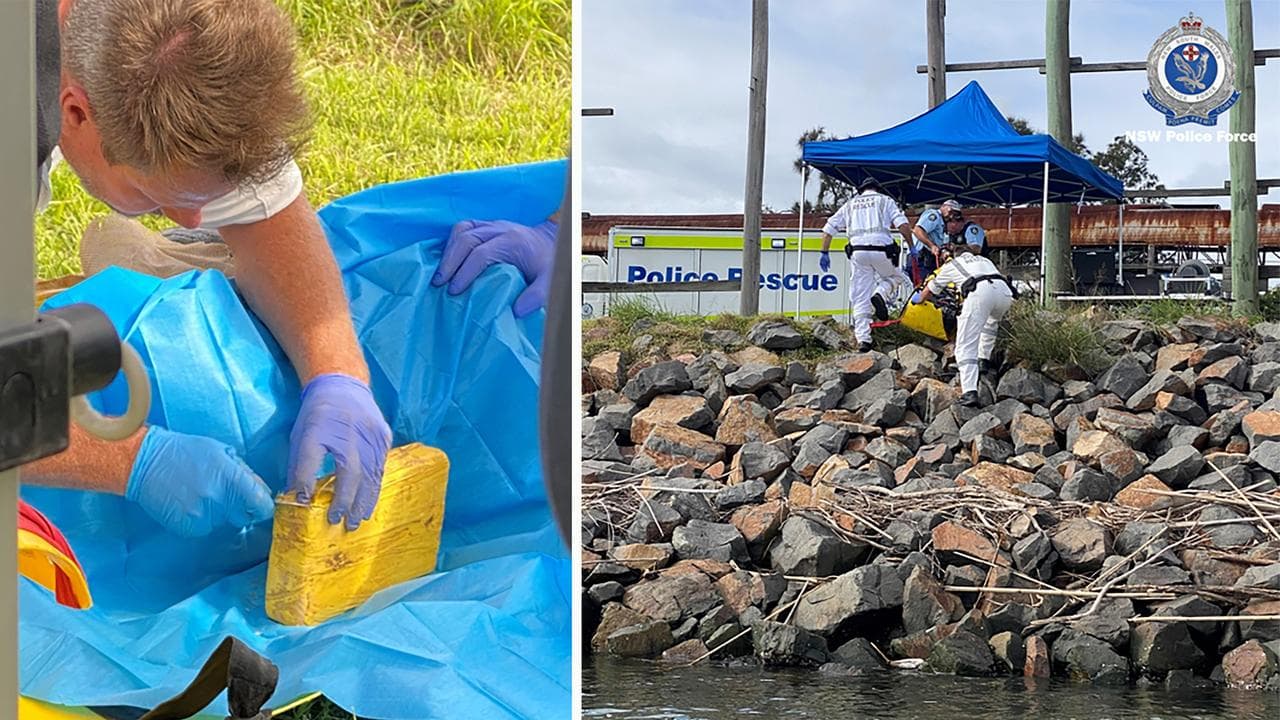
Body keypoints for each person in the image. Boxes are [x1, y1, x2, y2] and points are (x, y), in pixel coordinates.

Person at [24, 0, 391, 536]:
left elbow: (271, 218)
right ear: (75, 113)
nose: (197, 220)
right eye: (164, 197)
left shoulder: (193, 29)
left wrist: (338, 373)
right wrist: (131, 459)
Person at [912, 223, 1013, 408]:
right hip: (1005, 294)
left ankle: (969, 392)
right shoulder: (985, 260)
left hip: (980, 293)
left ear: (955, 254)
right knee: (990, 323)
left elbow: (932, 289)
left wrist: (918, 300)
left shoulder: (953, 264)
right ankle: (983, 360)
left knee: (965, 345)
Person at [819, 178, 914, 352]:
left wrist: (824, 252)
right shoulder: (885, 201)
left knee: (860, 295)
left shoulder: (850, 204)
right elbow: (903, 225)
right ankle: (880, 293)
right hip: (882, 250)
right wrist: (912, 246)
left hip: (858, 252)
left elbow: (827, 230)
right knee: (897, 276)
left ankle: (864, 340)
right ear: (877, 189)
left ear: (861, 190)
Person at [909, 199, 964, 284]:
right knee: (922, 288)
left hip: (930, 260)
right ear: (943, 207)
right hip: (921, 258)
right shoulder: (934, 216)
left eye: (955, 213)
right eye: (950, 211)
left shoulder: (942, 222)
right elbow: (917, 230)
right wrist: (932, 246)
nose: (951, 215)